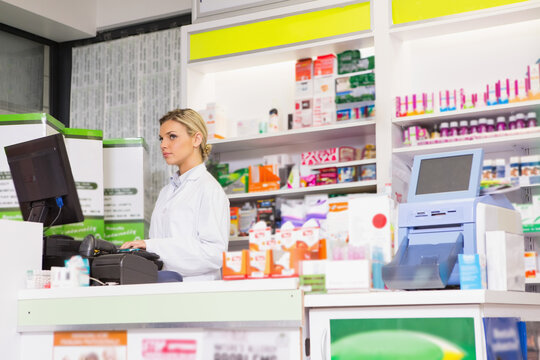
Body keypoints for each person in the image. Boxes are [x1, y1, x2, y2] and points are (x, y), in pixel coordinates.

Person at [120, 109, 230, 281]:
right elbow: (162, 246)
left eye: (172, 136)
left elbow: (214, 254)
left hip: (195, 292)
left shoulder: (209, 189)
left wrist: (151, 246)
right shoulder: (166, 192)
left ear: (196, 139)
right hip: (166, 286)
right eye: (161, 138)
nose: (163, 145)